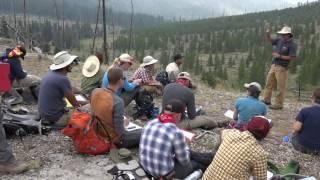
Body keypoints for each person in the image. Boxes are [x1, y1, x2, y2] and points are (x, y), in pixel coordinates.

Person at [139, 99, 213, 179]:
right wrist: (186, 144)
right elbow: (184, 161)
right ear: (178, 115)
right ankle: (210, 163)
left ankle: (208, 157)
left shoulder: (150, 123)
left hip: (145, 167)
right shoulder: (176, 132)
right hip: (163, 175)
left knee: (189, 153)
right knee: (197, 164)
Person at [202, 116, 271, 180]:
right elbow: (261, 178)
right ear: (264, 135)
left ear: (248, 125)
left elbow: (223, 132)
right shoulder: (259, 154)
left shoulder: (231, 133)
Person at [91, 67, 141, 148]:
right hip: (113, 138)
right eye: (124, 78)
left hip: (96, 131)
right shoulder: (118, 101)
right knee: (145, 132)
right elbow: (121, 133)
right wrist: (123, 123)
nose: (125, 80)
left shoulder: (95, 91)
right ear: (120, 81)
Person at [38, 51, 88, 127]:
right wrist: (89, 102)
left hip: (45, 115)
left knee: (66, 103)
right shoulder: (62, 79)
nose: (72, 65)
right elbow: (75, 104)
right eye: (71, 63)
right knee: (88, 114)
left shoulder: (51, 74)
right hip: (56, 118)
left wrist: (81, 91)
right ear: (65, 66)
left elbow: (69, 89)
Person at [262, 26, 297, 110]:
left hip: (282, 67)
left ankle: (279, 104)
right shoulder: (279, 40)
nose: (282, 36)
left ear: (289, 35)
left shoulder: (292, 45)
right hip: (274, 65)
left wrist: (280, 56)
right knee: (268, 83)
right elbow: (270, 41)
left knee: (280, 87)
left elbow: (292, 57)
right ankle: (266, 100)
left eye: (284, 34)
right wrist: (267, 34)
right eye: (282, 34)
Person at [291, 88, 320, 155]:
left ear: (313, 98)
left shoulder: (305, 111)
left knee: (293, 134)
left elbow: (296, 128)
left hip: (303, 147)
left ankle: (286, 140)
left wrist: (295, 121)